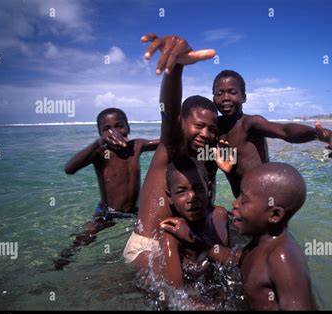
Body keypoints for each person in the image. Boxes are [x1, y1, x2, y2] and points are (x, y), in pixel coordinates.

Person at [123, 34, 221, 270]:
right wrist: (176, 68)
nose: (206, 134)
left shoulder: (204, 157)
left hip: (179, 244)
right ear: (182, 123)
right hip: (148, 248)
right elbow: (168, 112)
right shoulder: (172, 147)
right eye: (198, 126)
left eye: (212, 129)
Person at [163, 162, 315, 310]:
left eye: (244, 201)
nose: (234, 204)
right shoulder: (259, 245)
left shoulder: (282, 258)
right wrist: (195, 240)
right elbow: (232, 258)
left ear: (274, 214)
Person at [212, 70, 332, 197]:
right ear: (213, 98)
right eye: (219, 93)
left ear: (244, 97)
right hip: (241, 205)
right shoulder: (214, 127)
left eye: (232, 92)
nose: (225, 98)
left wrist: (321, 135)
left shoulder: (250, 123)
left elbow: (285, 131)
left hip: (263, 203)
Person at [55, 108, 159, 269]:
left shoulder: (136, 146)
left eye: (119, 126)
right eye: (107, 129)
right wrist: (98, 143)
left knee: (154, 230)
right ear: (100, 134)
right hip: (107, 212)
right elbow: (70, 168)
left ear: (128, 127)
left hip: (132, 210)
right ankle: (60, 264)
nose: (114, 132)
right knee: (84, 239)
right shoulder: (100, 152)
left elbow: (164, 142)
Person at [158, 157, 229, 291]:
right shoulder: (171, 236)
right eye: (181, 192)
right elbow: (176, 295)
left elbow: (229, 264)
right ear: (169, 198)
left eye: (198, 189)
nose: (192, 197)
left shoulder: (220, 216)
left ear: (208, 189)